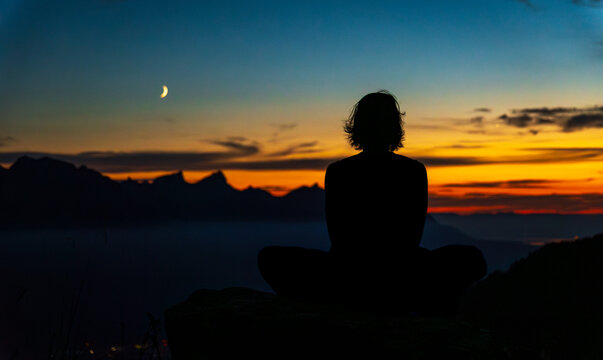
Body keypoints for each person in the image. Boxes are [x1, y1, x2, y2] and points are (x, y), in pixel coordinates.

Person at [258, 91, 486, 316]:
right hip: (400, 277)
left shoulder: (339, 172)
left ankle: (338, 305)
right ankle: (416, 312)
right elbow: (411, 238)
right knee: (468, 259)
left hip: (348, 278)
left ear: (357, 127)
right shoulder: (412, 171)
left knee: (271, 258)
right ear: (394, 128)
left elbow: (339, 239)